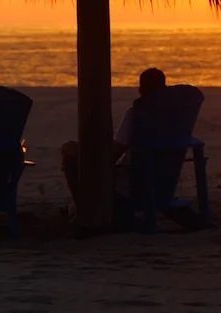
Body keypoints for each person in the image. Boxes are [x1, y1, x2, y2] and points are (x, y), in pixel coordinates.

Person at [61, 67, 166, 210]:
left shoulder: (136, 114)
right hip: (163, 181)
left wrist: (91, 154)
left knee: (70, 151)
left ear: (141, 90)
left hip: (131, 183)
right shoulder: (175, 116)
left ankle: (85, 210)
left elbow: (115, 154)